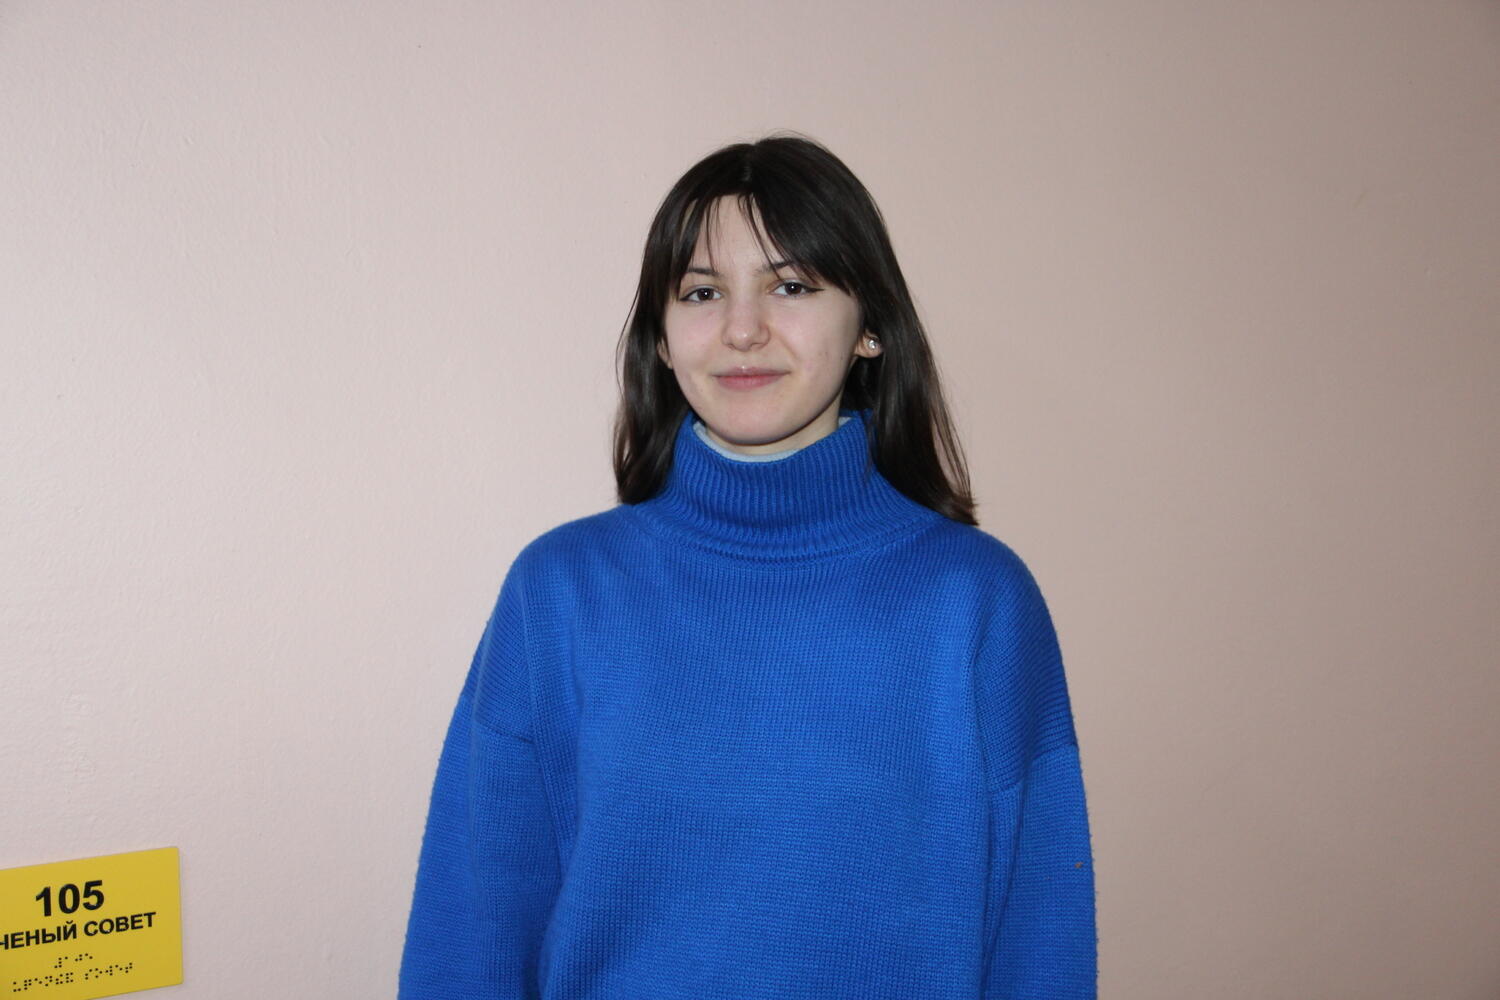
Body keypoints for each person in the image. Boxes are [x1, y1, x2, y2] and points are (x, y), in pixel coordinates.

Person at [397, 131, 1097, 999]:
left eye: (791, 286)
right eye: (702, 292)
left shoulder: (978, 603)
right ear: (661, 340)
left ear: (871, 327)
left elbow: (1038, 942)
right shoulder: (561, 593)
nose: (741, 329)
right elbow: (472, 935)